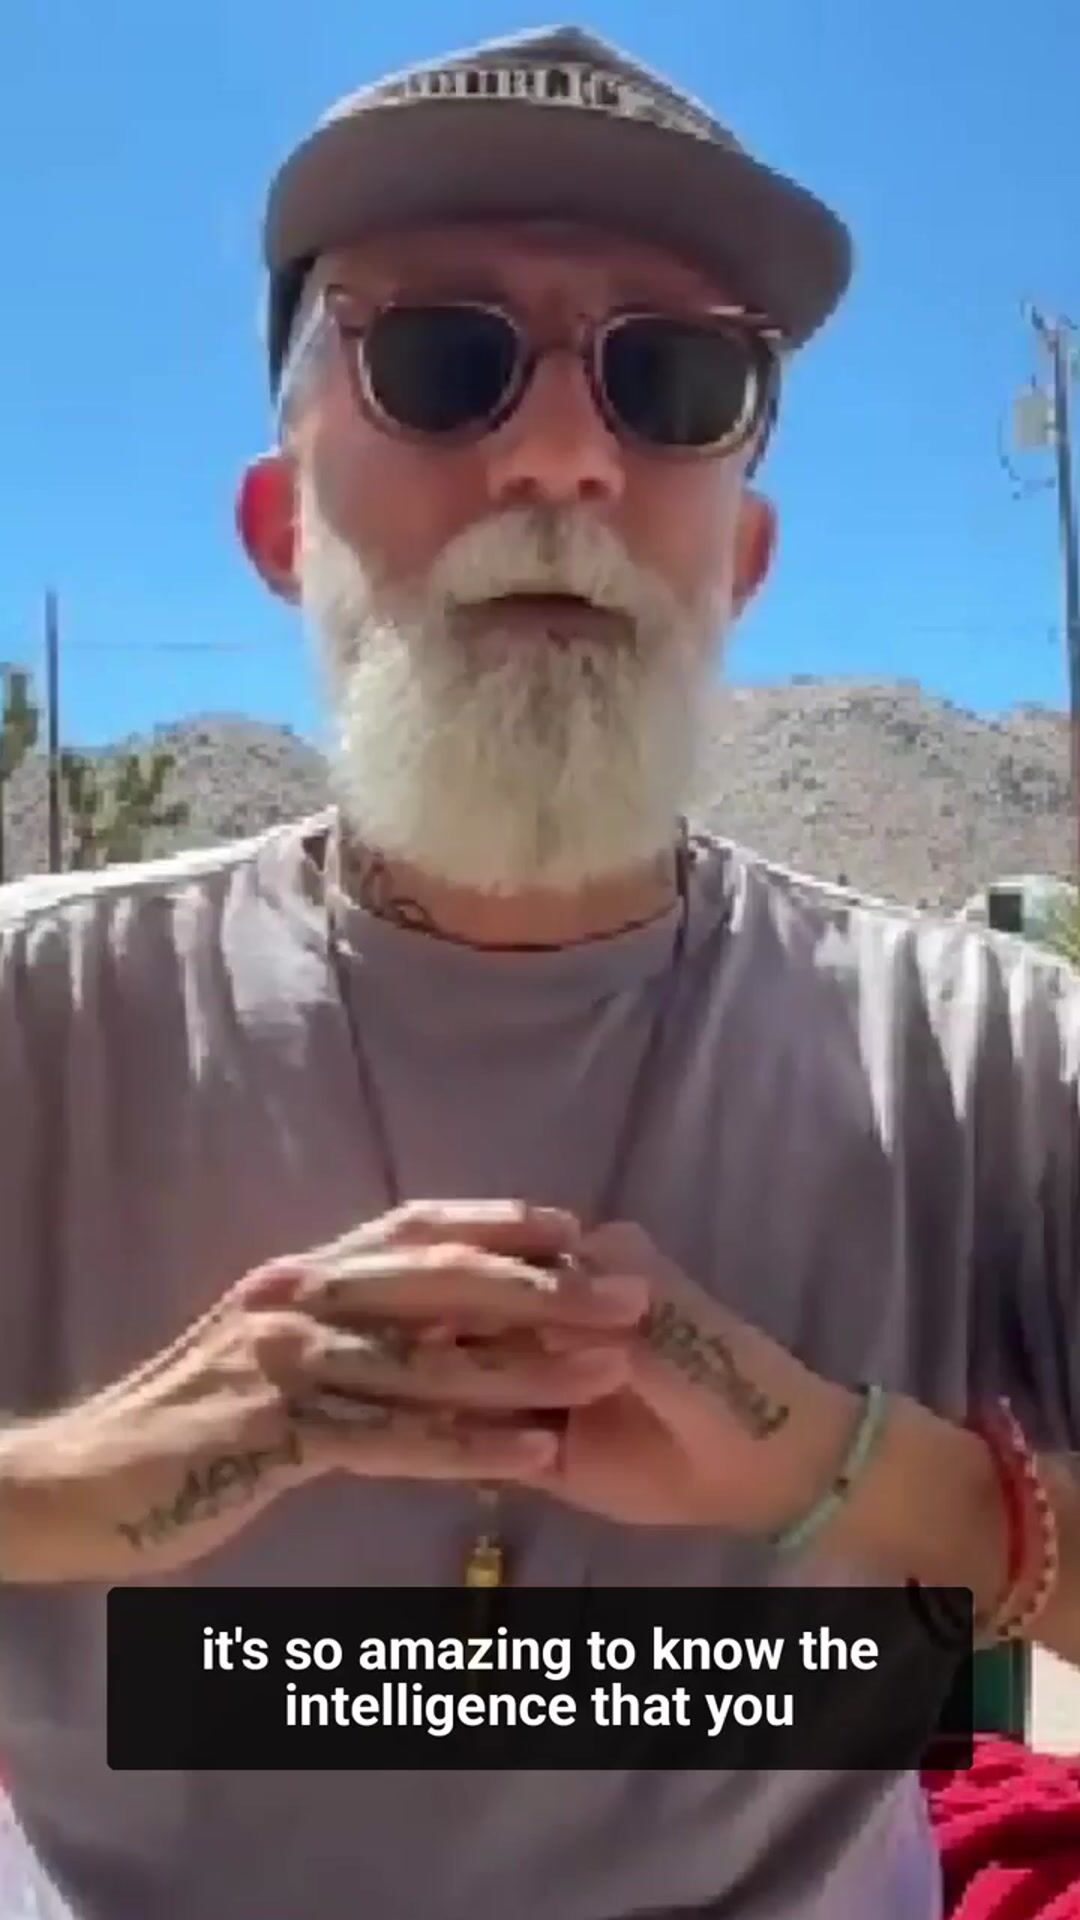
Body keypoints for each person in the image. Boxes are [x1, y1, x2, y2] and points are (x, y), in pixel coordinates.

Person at [0, 22, 1078, 1920]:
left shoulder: (989, 1054)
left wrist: (840, 1467)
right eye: (439, 359)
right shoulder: (40, 1016)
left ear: (743, 558)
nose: (567, 457)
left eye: (674, 380)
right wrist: (76, 1479)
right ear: (281, 528)